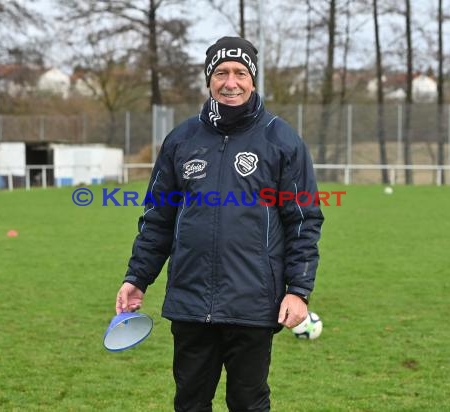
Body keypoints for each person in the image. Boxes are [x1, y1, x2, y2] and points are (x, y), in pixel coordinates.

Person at [116, 36, 324, 412]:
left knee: (248, 403)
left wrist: (299, 290)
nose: (231, 82)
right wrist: (137, 277)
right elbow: (158, 218)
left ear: (253, 79)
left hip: (254, 303)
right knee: (190, 402)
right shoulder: (181, 139)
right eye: (222, 72)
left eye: (240, 73)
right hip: (190, 301)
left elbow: (304, 220)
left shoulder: (282, 140)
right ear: (209, 79)